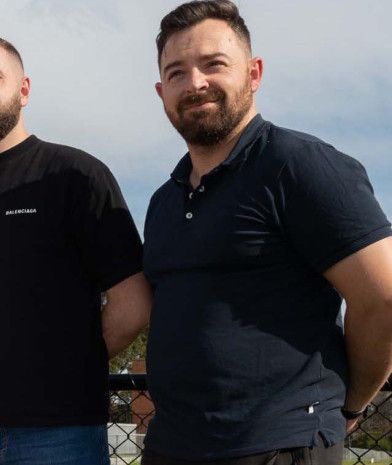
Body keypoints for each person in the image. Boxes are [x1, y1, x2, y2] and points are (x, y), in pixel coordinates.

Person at [142, 1, 392, 463]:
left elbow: (383, 297)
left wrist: (351, 405)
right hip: (172, 447)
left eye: (213, 65)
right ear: (161, 92)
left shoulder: (298, 166)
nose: (194, 83)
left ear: (254, 73)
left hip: (279, 445)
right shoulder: (163, 200)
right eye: (176, 73)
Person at [0, 35, 151, 465]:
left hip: (62, 433)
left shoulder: (77, 175)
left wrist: (64, 360)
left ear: (24, 89)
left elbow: (133, 306)